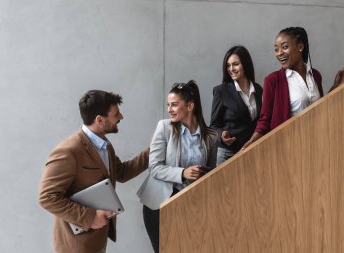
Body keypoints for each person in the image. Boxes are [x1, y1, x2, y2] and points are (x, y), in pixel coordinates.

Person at [38, 90, 149, 253]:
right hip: (75, 246)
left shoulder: (105, 145)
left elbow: (122, 172)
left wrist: (154, 149)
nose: (121, 117)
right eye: (116, 114)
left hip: (97, 241)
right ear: (99, 119)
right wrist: (90, 218)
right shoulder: (68, 151)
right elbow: (47, 197)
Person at [137, 80, 218, 253]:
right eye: (168, 105)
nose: (169, 109)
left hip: (191, 204)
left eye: (174, 105)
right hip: (159, 204)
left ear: (190, 106)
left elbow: (211, 173)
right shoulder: (164, 127)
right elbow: (154, 167)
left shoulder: (210, 136)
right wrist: (183, 173)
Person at [242, 27, 344, 149]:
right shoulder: (272, 80)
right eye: (276, 49)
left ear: (300, 47)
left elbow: (320, 107)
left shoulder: (315, 75)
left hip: (318, 143)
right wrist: (252, 141)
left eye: (284, 47)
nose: (279, 53)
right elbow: (265, 120)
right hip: (290, 148)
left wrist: (336, 86)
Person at [210, 45, 263, 165]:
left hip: (252, 151)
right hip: (229, 154)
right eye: (228, 65)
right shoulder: (221, 91)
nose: (231, 69)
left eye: (235, 64)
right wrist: (222, 136)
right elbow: (213, 126)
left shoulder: (258, 89)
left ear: (245, 64)